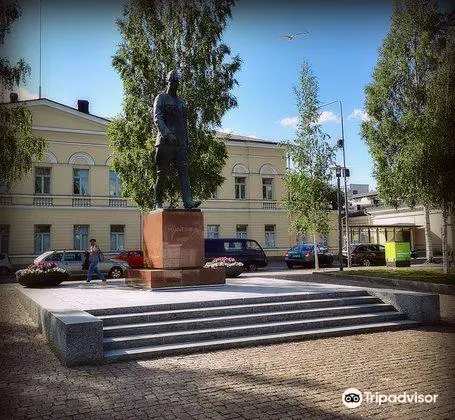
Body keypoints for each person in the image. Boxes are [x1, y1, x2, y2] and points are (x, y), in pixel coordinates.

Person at [153, 70, 201, 210]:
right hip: (165, 142)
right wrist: (167, 134)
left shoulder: (181, 102)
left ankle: (188, 201)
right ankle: (158, 202)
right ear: (167, 82)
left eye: (176, 82)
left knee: (184, 173)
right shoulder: (161, 98)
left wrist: (187, 141)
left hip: (180, 143)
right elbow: (157, 118)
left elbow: (184, 123)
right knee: (162, 173)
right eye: (171, 82)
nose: (174, 85)